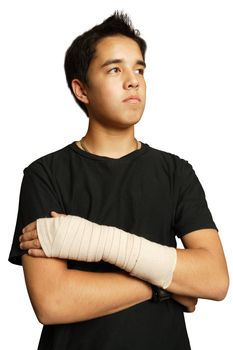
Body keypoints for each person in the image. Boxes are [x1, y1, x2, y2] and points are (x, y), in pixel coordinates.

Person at [9, 11, 229, 350]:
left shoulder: (176, 172)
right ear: (81, 90)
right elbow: (52, 302)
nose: (133, 80)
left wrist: (103, 244)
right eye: (115, 69)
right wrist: (164, 283)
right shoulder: (44, 175)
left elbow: (215, 279)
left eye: (139, 69)